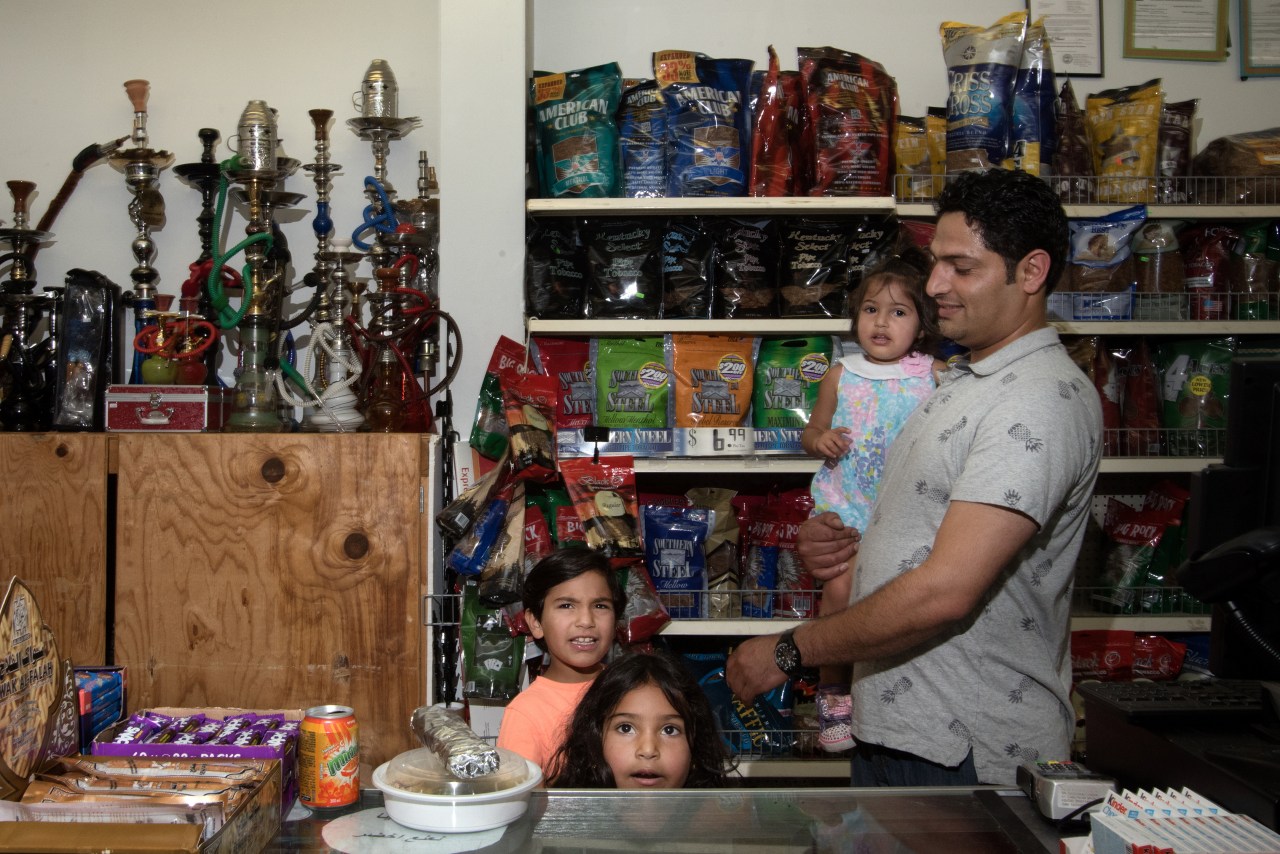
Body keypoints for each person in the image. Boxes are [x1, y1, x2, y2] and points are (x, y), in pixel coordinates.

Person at [725, 167, 1103, 787]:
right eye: (935, 263)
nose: (935, 284)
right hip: (904, 728)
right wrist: (845, 545)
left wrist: (791, 650)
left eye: (962, 267)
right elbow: (917, 529)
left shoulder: (1035, 400)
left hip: (967, 747)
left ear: (1031, 273)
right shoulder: (962, 380)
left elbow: (946, 590)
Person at [801, 246, 944, 753]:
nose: (881, 322)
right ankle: (833, 691)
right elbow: (813, 429)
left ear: (922, 326)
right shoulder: (843, 373)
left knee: (894, 601)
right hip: (848, 501)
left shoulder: (934, 375)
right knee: (839, 596)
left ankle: (890, 698)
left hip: (907, 510)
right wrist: (820, 440)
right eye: (870, 310)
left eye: (898, 312)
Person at [496, 548, 626, 774]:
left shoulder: (630, 689)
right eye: (566, 605)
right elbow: (521, 803)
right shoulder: (526, 714)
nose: (586, 620)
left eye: (600, 606)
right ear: (536, 622)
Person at [547, 649, 734, 788]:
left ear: (695, 746)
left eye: (669, 730)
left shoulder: (718, 829)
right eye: (626, 728)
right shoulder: (566, 832)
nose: (648, 749)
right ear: (595, 739)